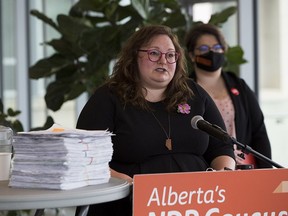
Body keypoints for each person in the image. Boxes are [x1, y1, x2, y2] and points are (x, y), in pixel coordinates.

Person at [76, 24, 236, 216]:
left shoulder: (194, 93)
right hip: (127, 205)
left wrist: (222, 176)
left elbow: (222, 146)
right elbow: (85, 157)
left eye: (170, 55)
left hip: (197, 204)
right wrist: (131, 185)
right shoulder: (108, 98)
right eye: (154, 53)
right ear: (134, 57)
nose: (163, 60)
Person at [185, 23, 272, 169]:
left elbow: (259, 132)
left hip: (244, 168)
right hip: (206, 169)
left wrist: (267, 173)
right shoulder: (185, 90)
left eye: (217, 48)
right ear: (192, 55)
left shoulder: (239, 86)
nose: (212, 52)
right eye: (204, 49)